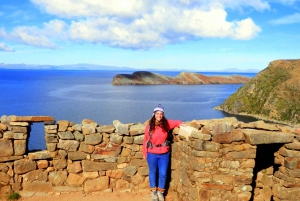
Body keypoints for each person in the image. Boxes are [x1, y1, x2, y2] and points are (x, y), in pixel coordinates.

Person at [143, 104, 183, 201]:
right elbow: (145, 140)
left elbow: (177, 122)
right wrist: (144, 152)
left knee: (163, 173)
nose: (159, 116)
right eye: (157, 113)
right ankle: (154, 193)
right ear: (154, 114)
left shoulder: (166, 124)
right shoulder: (149, 126)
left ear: (163, 115)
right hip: (152, 153)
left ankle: (161, 192)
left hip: (164, 154)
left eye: (161, 114)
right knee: (152, 172)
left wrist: (181, 124)